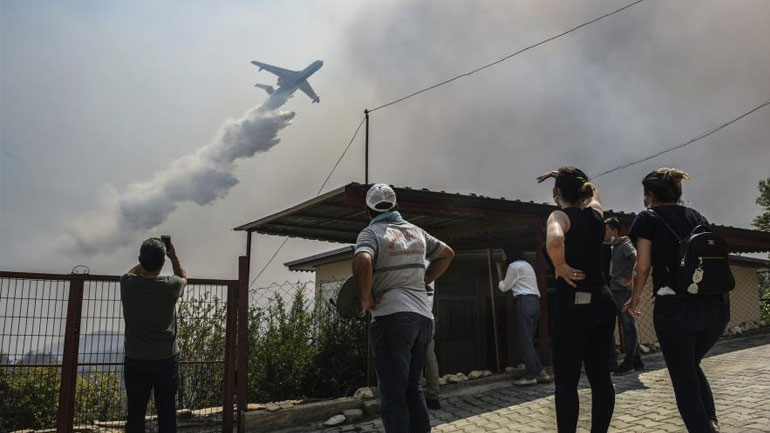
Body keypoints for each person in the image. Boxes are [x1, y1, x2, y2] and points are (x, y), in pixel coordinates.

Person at [624, 168, 730, 433]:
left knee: (683, 380)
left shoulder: (647, 218)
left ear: (649, 195)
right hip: (715, 308)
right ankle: (711, 424)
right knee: (690, 366)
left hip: (676, 311)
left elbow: (643, 266)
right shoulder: (698, 217)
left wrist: (633, 299)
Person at [353, 184, 455, 433]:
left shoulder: (370, 233)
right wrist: (423, 281)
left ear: (368, 211)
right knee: (413, 388)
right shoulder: (417, 232)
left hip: (392, 319)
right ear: (397, 206)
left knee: (393, 394)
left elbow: (362, 259)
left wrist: (366, 299)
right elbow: (447, 254)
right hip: (423, 320)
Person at [537, 167, 616, 433]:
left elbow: (555, 239)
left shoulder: (558, 215)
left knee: (567, 383)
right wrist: (566, 174)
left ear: (557, 193)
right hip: (602, 303)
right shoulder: (596, 215)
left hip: (572, 307)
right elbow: (594, 191)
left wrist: (559, 265)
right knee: (601, 378)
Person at [121, 237, 187, 433]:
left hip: (136, 358)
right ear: (163, 262)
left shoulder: (127, 284)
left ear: (140, 259)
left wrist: (144, 263)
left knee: (135, 412)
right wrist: (174, 257)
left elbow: (132, 272)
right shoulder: (171, 285)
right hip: (166, 358)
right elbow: (183, 277)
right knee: (167, 411)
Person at [495, 245, 551, 386]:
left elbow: (504, 287)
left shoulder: (513, 267)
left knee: (525, 341)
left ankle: (531, 375)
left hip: (524, 302)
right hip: (535, 302)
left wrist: (499, 272)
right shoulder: (527, 265)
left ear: (508, 255)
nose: (502, 256)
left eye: (503, 253)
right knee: (528, 341)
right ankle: (542, 373)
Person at [604, 217, 644, 376]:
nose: (604, 233)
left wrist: (629, 280)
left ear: (614, 230)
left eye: (606, 229)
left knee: (628, 325)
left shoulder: (625, 245)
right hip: (614, 290)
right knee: (623, 324)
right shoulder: (612, 246)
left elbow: (638, 260)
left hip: (623, 291)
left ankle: (629, 363)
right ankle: (637, 361)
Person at [422, 260, 441, 410]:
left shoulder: (412, 263)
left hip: (414, 316)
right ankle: (433, 397)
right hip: (429, 316)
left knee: (411, 358)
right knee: (429, 359)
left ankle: (414, 398)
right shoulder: (431, 265)